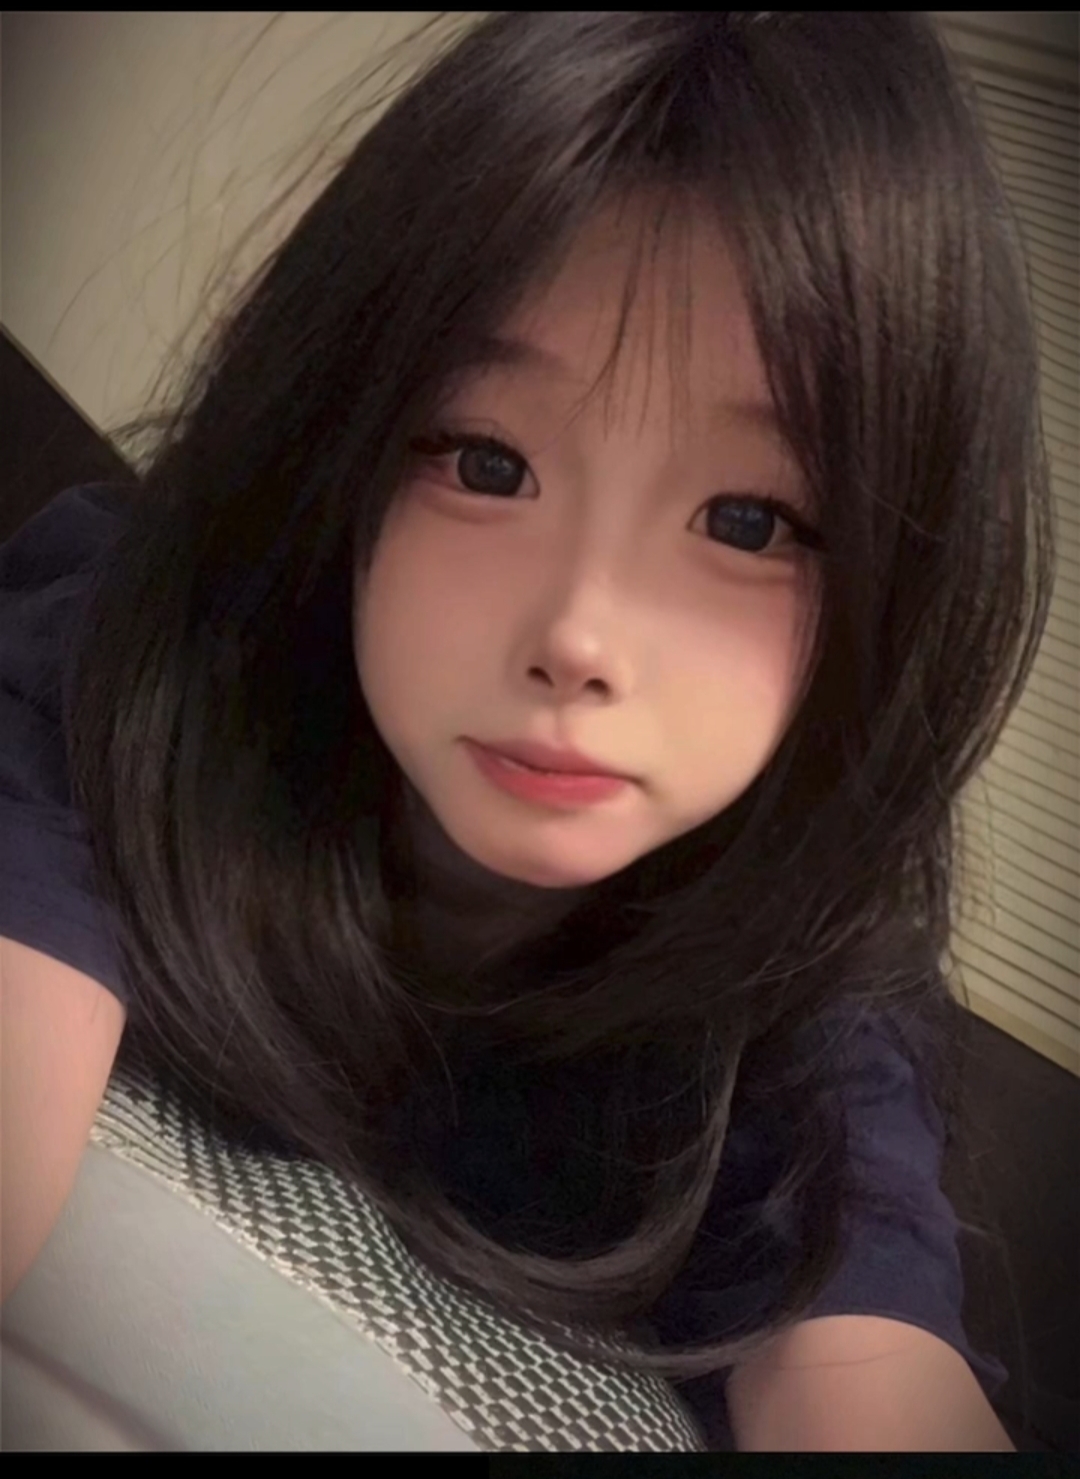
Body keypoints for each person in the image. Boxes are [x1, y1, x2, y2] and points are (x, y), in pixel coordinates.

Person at [1, 12, 1053, 1451]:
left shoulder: (811, 1004)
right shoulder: (132, 656)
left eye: (748, 523)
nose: (580, 635)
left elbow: (866, 1371)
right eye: (488, 463)